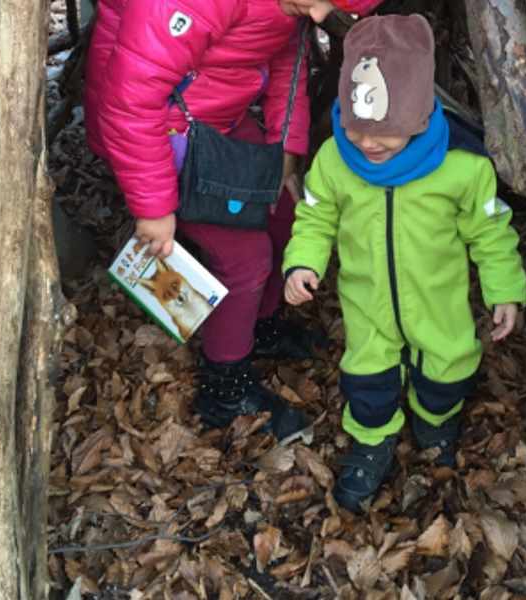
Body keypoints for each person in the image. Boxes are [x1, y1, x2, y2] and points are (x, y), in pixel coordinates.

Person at [83, 0, 379, 441]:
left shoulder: (292, 6)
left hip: (213, 116)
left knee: (285, 214)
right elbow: (131, 100)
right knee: (245, 256)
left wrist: (285, 150)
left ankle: (261, 323)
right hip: (158, 128)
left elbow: (287, 65)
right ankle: (225, 388)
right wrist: (155, 208)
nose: (320, 16)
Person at [283, 14, 526, 511]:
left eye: (386, 135)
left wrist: (504, 289)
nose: (368, 144)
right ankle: (371, 440)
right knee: (367, 377)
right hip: (367, 300)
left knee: (448, 369)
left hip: (437, 301)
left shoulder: (462, 167)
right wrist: (303, 262)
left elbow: (490, 232)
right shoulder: (334, 161)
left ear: (418, 118)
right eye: (356, 130)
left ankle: (434, 420)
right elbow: (315, 216)